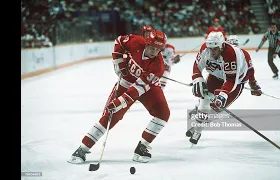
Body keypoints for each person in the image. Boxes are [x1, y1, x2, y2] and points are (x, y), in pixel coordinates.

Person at [68, 29, 170, 164]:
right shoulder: (135, 42)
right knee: (109, 116)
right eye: (152, 47)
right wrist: (119, 63)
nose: (154, 52)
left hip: (146, 88)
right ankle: (82, 148)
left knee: (163, 113)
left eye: (158, 49)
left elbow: (139, 88)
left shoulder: (158, 66)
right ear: (147, 43)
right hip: (126, 82)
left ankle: (142, 147)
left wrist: (120, 101)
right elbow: (119, 42)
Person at [186, 32, 262, 145]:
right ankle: (197, 129)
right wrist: (197, 78)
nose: (211, 52)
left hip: (236, 82)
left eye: (215, 49)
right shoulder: (206, 49)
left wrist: (252, 84)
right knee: (205, 101)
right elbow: (197, 65)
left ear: (222, 46)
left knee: (216, 109)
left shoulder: (234, 54)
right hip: (215, 77)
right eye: (210, 48)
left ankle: (199, 124)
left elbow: (234, 78)